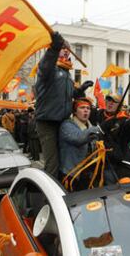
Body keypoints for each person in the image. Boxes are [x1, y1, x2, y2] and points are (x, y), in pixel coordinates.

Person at [35, 32, 93, 178]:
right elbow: (45, 65)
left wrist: (79, 90)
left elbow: (69, 94)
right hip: (47, 122)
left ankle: (65, 186)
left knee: (65, 158)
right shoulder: (50, 69)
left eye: (68, 48)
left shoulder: (66, 72)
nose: (66, 50)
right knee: (52, 163)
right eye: (62, 47)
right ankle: (50, 195)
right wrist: (54, 47)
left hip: (62, 121)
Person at [59, 98, 100, 182]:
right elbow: (79, 138)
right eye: (82, 108)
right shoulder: (67, 125)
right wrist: (100, 128)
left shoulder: (91, 127)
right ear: (75, 111)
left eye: (88, 108)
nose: (86, 110)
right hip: (71, 174)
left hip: (88, 174)